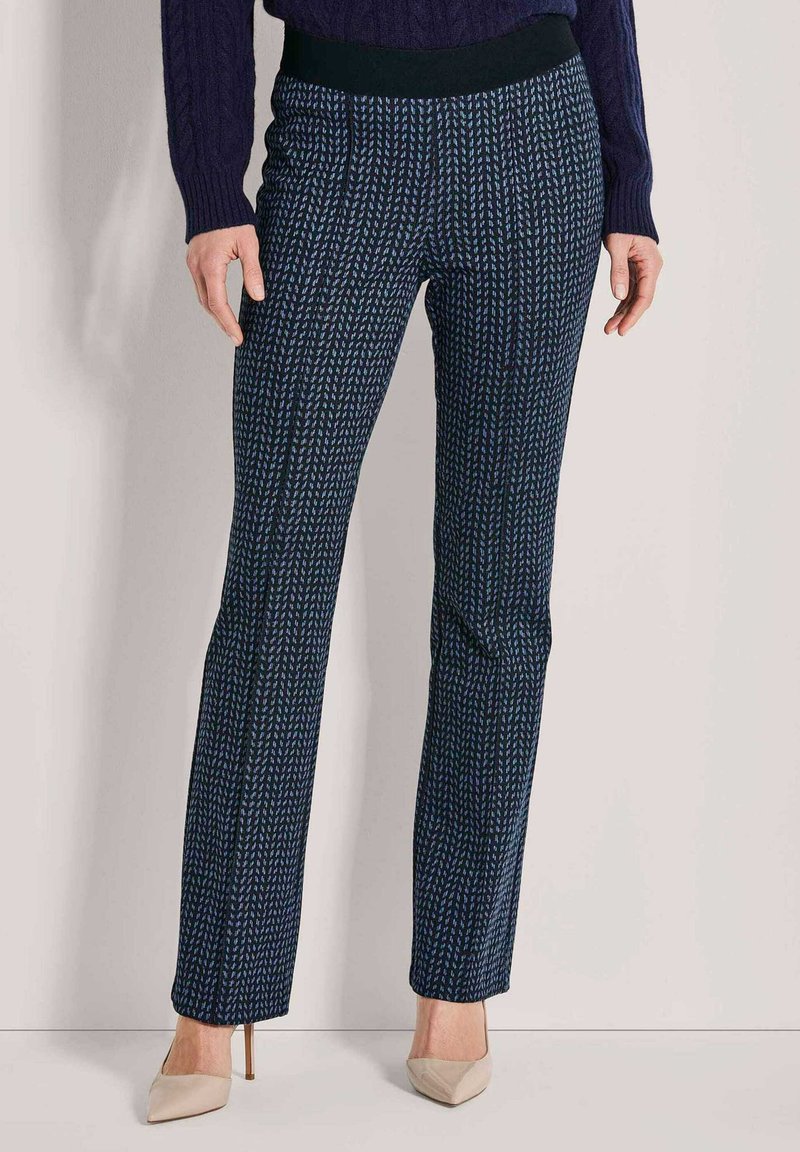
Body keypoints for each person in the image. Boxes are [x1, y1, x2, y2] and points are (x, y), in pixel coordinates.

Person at [148, 0, 663, 1122]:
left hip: (538, 138)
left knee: (497, 593)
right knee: (275, 590)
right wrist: (210, 184)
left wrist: (629, 179)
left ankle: (457, 988)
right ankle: (213, 1001)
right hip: (336, 144)